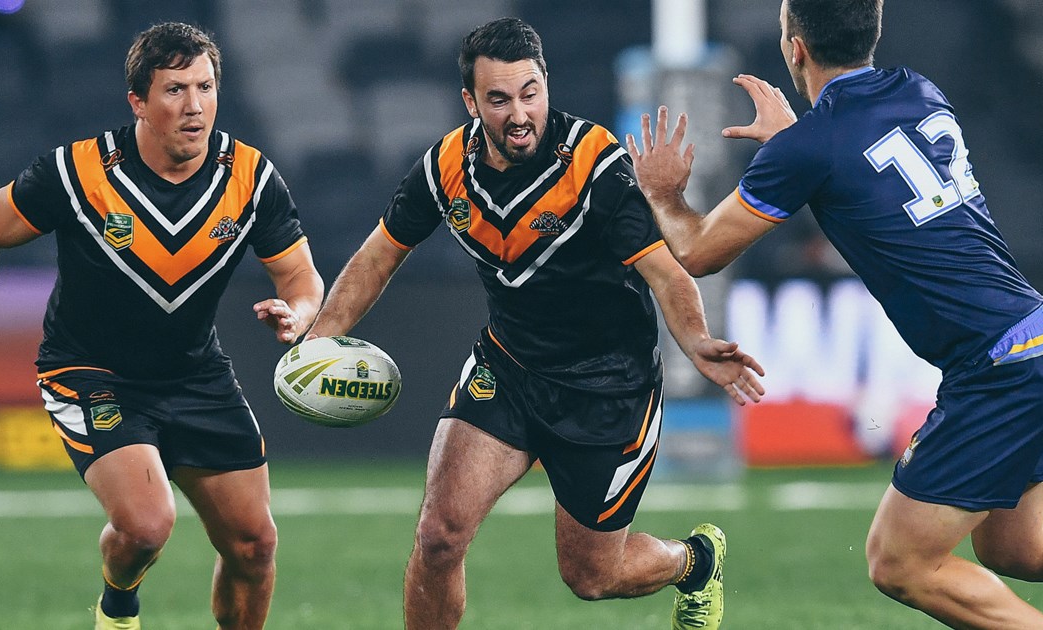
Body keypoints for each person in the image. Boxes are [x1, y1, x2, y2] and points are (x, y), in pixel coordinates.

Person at [626, 1, 1043, 629]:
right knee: (1019, 547)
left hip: (997, 370)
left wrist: (663, 193)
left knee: (898, 564)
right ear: (874, 30)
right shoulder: (916, 90)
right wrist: (794, 141)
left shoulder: (808, 149)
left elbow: (697, 251)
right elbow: (858, 162)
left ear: (793, 48)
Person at [305, 17, 764, 630]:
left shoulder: (593, 163)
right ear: (470, 101)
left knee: (592, 577)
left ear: (546, 84)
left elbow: (666, 273)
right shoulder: (446, 165)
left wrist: (699, 341)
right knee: (439, 537)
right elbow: (378, 255)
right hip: (509, 369)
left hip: (607, 389)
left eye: (530, 93)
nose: (518, 113)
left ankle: (695, 561)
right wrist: (319, 338)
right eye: (498, 99)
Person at [0, 22, 324, 630]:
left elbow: (300, 277)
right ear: (137, 102)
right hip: (90, 372)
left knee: (255, 546)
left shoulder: (250, 177)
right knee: (146, 524)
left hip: (195, 373)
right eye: (174, 90)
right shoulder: (78, 171)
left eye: (206, 87)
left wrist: (298, 314)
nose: (194, 107)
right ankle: (118, 607)